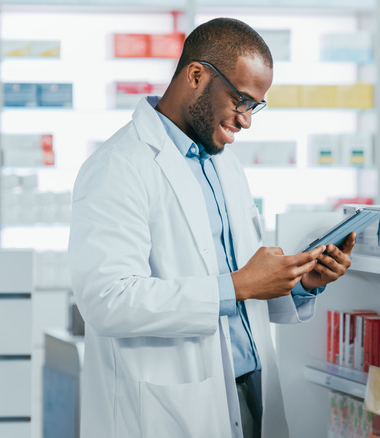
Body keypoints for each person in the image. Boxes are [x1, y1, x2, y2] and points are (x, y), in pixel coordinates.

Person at [68, 17, 355, 438]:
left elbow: (241, 282)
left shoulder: (223, 163)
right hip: (170, 405)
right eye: (240, 99)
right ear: (197, 75)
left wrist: (299, 282)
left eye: (254, 106)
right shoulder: (118, 166)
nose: (246, 120)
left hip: (248, 388)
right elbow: (107, 299)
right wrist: (237, 285)